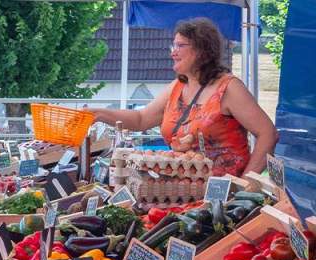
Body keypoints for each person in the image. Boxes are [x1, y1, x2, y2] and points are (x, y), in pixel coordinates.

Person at [94, 18, 277, 177]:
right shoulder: (177, 87)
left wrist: (245, 183)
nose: (173, 52)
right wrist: (96, 114)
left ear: (203, 51)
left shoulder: (228, 88)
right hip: (181, 192)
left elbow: (268, 134)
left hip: (224, 198)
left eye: (180, 46)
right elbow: (141, 119)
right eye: (173, 46)